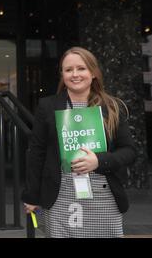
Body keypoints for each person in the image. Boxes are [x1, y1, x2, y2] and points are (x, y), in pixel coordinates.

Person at [22, 46, 136, 238]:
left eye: (81, 68)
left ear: (93, 73)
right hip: (60, 198)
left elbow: (130, 151)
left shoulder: (112, 108)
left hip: (103, 200)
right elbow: (37, 153)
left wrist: (99, 161)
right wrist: (32, 196)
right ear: (62, 75)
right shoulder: (47, 107)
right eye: (68, 70)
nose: (75, 74)